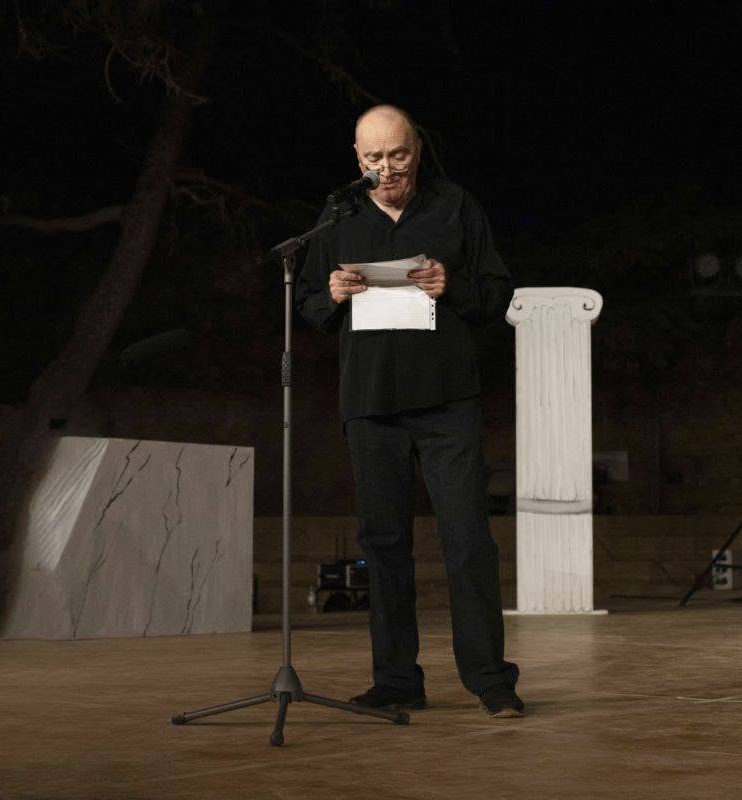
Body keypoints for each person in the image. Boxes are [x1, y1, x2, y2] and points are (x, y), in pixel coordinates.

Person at [295, 104, 523, 718]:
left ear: (416, 151)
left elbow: (498, 293)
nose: (387, 168)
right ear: (357, 158)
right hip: (371, 405)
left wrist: (455, 285)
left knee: (468, 539)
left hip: (448, 400)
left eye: (398, 155)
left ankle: (491, 680)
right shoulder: (339, 215)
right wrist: (331, 294)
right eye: (374, 158)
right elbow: (308, 302)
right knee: (384, 543)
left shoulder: (455, 206)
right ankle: (397, 681)